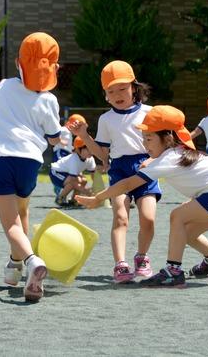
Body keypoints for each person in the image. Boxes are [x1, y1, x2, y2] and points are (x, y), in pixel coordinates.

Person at [76, 105, 208, 288]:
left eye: (148, 139)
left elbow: (126, 184)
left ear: (167, 138)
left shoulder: (169, 158)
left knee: (177, 216)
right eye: (143, 139)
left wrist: (97, 198)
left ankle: (173, 272)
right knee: (185, 234)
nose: (144, 144)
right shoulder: (175, 153)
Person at [0, 32, 62, 302]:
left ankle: (31, 261)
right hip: (29, 161)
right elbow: (53, 136)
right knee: (22, 210)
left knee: (11, 225)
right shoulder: (49, 100)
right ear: (54, 67)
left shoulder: (4, 85)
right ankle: (15, 266)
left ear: (19, 62)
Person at [69, 60, 161, 283]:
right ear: (105, 95)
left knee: (148, 219)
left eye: (122, 88)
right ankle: (121, 264)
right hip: (119, 169)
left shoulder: (151, 113)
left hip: (146, 168)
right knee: (120, 216)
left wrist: (152, 160)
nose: (118, 94)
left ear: (134, 88)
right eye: (111, 91)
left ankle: (142, 257)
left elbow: (162, 145)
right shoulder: (106, 119)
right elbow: (102, 154)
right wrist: (84, 135)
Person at [49, 136, 96, 207]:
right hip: (56, 173)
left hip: (68, 174)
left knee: (83, 180)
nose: (91, 151)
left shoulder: (90, 159)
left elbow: (94, 174)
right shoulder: (74, 159)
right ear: (77, 149)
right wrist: (88, 193)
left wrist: (98, 188)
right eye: (87, 148)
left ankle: (74, 200)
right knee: (72, 183)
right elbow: (73, 181)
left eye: (92, 147)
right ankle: (60, 198)